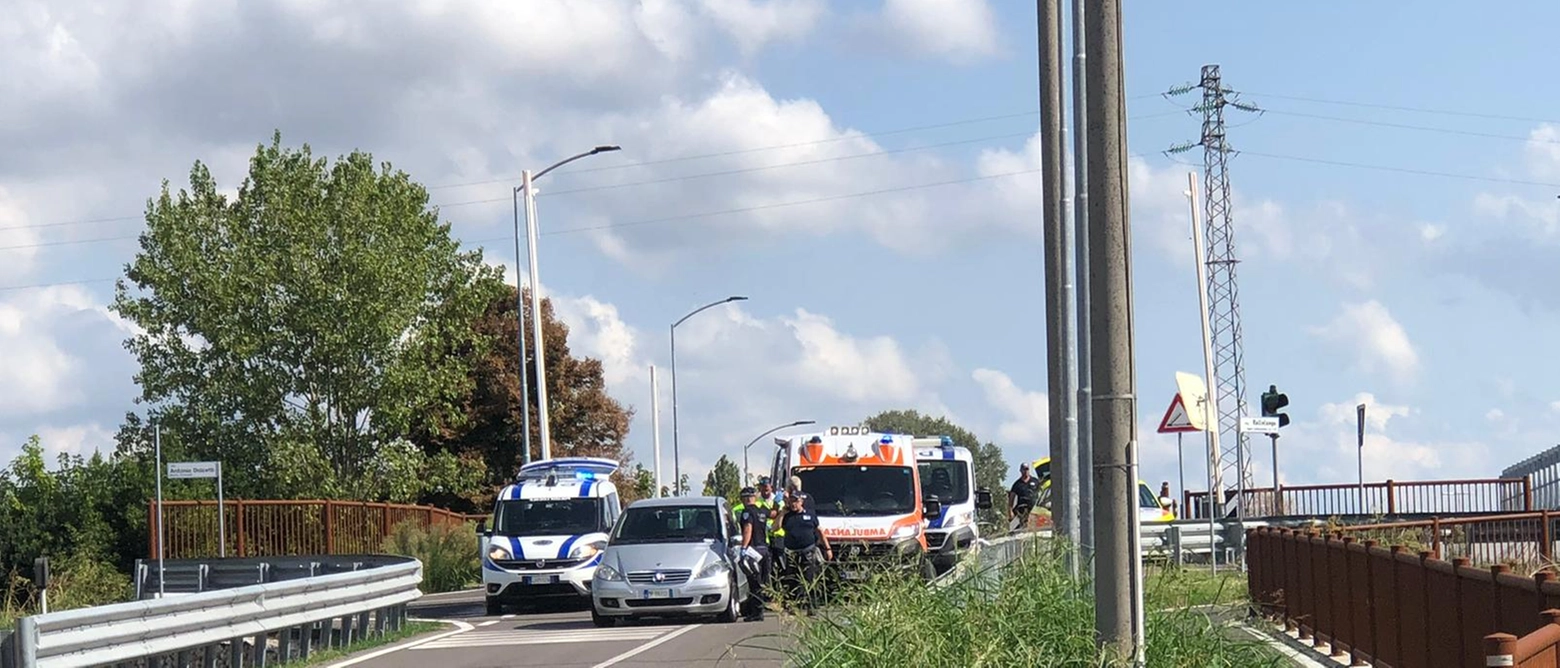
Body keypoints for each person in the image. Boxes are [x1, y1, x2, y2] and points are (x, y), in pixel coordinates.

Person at [778, 491, 830, 615]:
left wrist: (827, 548)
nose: (793, 504)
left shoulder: (810, 515)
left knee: (810, 580)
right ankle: (792, 606)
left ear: (801, 502)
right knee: (791, 580)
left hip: (808, 552)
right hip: (792, 553)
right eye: (791, 501)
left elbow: (820, 532)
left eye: (796, 501)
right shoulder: (787, 516)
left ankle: (812, 606)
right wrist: (782, 513)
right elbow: (775, 528)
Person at [735, 487, 770, 618]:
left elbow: (748, 529)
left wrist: (743, 547)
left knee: (754, 582)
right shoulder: (761, 511)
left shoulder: (747, 512)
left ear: (743, 499)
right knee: (762, 582)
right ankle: (759, 609)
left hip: (753, 549)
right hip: (764, 549)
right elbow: (773, 514)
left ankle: (756, 612)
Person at [1008, 462, 1041, 530]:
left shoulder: (1035, 481)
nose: (1025, 471)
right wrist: (1010, 511)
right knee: (1021, 527)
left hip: (1034, 509)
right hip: (1021, 510)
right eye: (1024, 469)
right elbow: (1011, 498)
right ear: (1020, 470)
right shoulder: (1017, 484)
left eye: (1027, 469)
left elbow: (1042, 492)